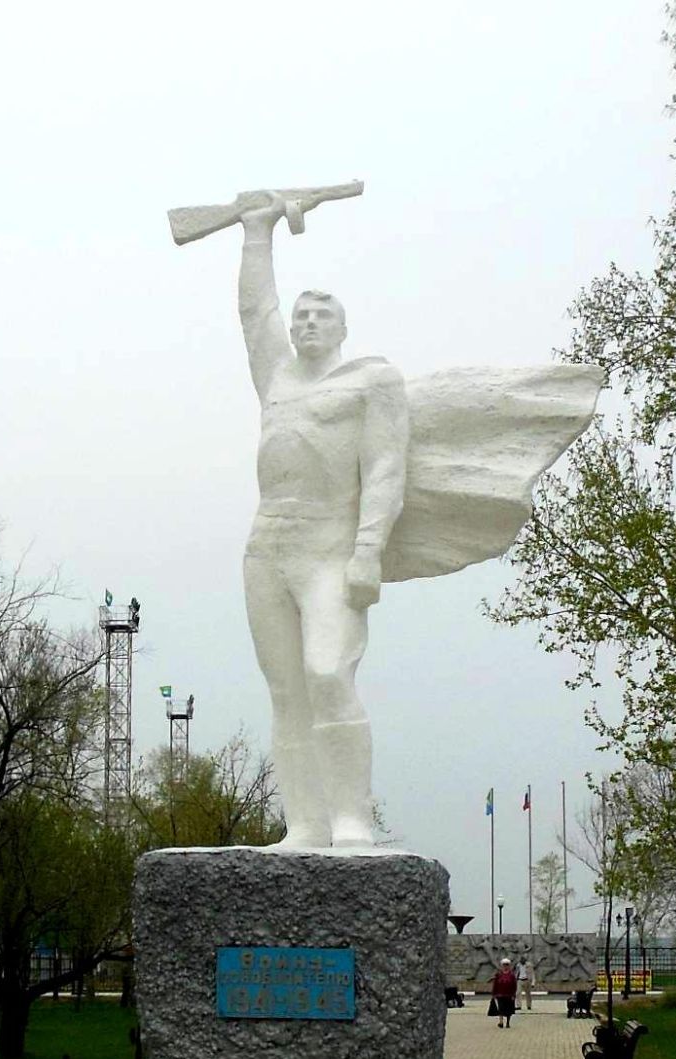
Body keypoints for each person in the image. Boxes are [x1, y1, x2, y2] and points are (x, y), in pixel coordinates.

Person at [237, 195, 409, 850]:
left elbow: (385, 468)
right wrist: (257, 233)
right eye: (301, 316)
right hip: (267, 546)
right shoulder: (277, 379)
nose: (307, 323)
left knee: (327, 673)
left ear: (342, 329)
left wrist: (369, 550)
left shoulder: (372, 382)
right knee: (287, 691)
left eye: (322, 316)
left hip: (330, 546)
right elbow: (255, 314)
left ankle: (351, 817)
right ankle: (305, 822)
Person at [487, 957, 518, 1028]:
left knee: (508, 1010)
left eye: (507, 965)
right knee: (500, 1008)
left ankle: (508, 1022)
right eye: (504, 965)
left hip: (509, 995)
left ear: (509, 966)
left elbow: (514, 985)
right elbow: (495, 984)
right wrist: (494, 993)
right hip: (500, 994)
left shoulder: (512, 975)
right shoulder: (498, 974)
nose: (505, 966)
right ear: (502, 966)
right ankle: (501, 1022)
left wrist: (513, 995)